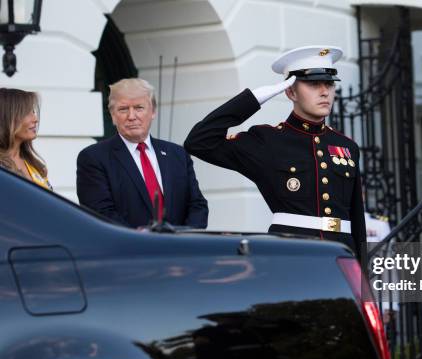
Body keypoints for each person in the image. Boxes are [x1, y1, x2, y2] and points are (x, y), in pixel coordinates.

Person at [184, 45, 366, 258]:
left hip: (342, 255)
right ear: (290, 92)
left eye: (329, 84)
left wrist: (363, 279)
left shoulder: (346, 146)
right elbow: (199, 141)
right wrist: (254, 98)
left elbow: (357, 219)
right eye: (314, 84)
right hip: (292, 255)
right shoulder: (268, 141)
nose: (325, 92)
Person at [77, 78, 208, 229]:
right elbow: (100, 214)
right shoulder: (94, 158)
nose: (131, 116)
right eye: (123, 109)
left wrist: (184, 239)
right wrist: (141, 241)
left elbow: (197, 205)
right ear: (113, 115)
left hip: (178, 249)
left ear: (153, 111)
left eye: (139, 107)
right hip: (129, 250)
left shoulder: (177, 154)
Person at [0, 88, 52, 190]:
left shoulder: (34, 165)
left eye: (33, 111)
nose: (35, 119)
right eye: (27, 113)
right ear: (7, 118)